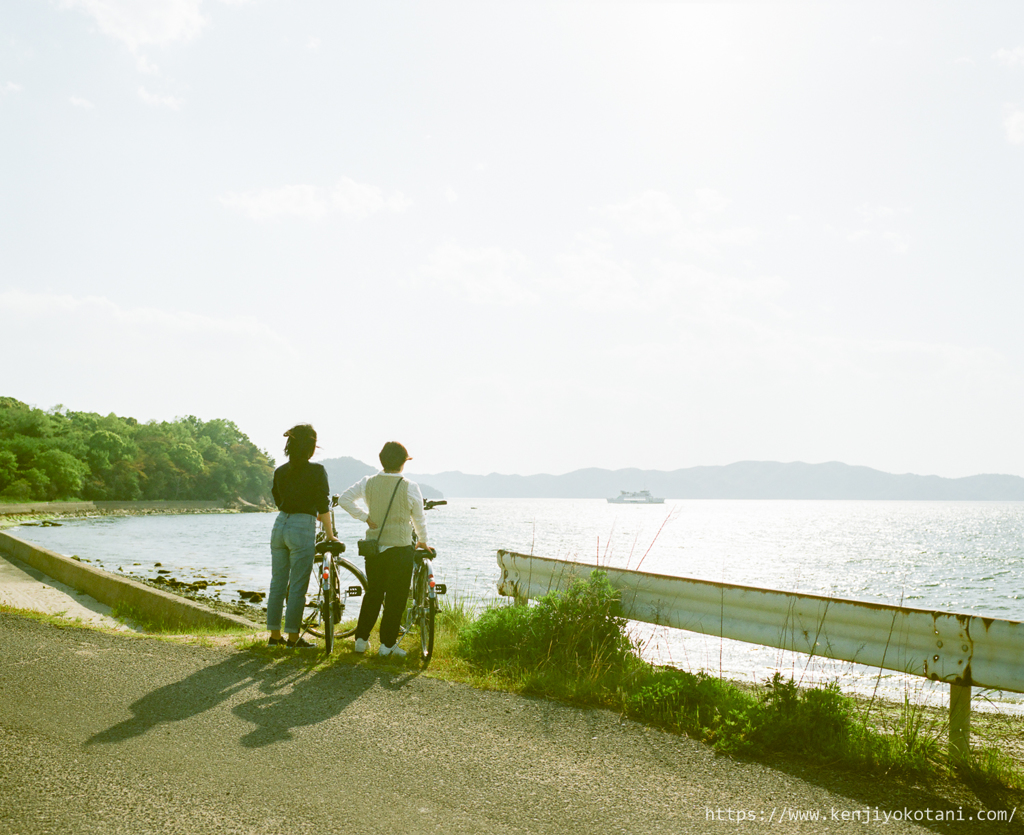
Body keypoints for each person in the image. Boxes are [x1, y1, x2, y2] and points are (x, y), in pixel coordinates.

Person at [338, 441, 429, 658]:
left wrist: (365, 518)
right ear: (403, 463)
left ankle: (361, 640)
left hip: (374, 548)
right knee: (396, 597)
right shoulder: (410, 486)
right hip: (400, 548)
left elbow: (344, 499)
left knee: (374, 593)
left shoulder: (368, 482)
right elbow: (419, 519)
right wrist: (423, 541)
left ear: (382, 460)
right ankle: (387, 645)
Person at [267, 424, 338, 648]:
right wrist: (330, 534)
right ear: (311, 447)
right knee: (297, 585)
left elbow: (278, 499)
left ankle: (274, 637)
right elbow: (323, 504)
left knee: (277, 583)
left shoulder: (280, 471)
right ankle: (293, 638)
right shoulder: (317, 471)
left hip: (280, 525)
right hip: (301, 527)